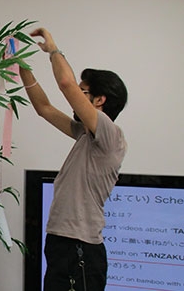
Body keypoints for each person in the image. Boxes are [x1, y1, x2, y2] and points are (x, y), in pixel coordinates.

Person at [20, 28, 128, 291]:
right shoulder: (85, 135)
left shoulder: (110, 134)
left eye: (84, 93)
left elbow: (66, 84)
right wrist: (21, 65)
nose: (75, 98)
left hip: (79, 248)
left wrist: (53, 49)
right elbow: (44, 109)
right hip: (61, 242)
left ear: (100, 100)